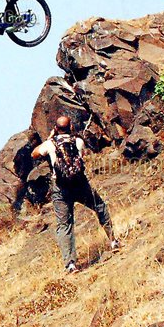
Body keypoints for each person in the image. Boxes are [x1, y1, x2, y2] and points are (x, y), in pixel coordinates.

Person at [32, 115, 119, 273]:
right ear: (70, 127)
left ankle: (71, 264)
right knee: (100, 207)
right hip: (80, 185)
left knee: (64, 225)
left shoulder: (50, 144)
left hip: (60, 189)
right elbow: (81, 157)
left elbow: (34, 154)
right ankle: (113, 241)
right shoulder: (78, 141)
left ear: (56, 128)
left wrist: (50, 137)